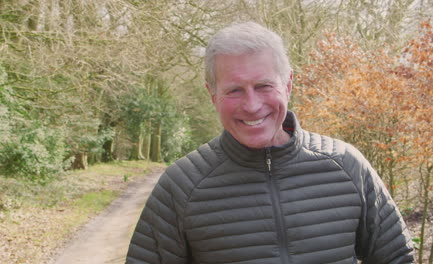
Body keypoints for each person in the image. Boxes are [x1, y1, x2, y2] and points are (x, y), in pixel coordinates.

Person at [126, 22, 414, 264]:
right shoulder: (181, 186)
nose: (252, 106)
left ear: (288, 85)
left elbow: (396, 257)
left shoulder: (347, 166)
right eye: (234, 90)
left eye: (264, 86)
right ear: (212, 94)